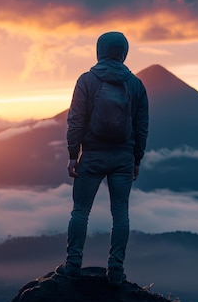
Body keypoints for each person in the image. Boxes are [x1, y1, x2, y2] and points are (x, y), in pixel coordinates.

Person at [56, 31, 149, 287]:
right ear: (124, 52)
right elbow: (142, 126)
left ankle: (73, 265)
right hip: (123, 157)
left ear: (99, 50)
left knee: (80, 211)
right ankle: (116, 271)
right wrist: (137, 159)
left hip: (93, 155)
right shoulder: (136, 85)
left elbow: (75, 120)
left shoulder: (87, 81)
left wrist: (73, 154)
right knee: (120, 214)